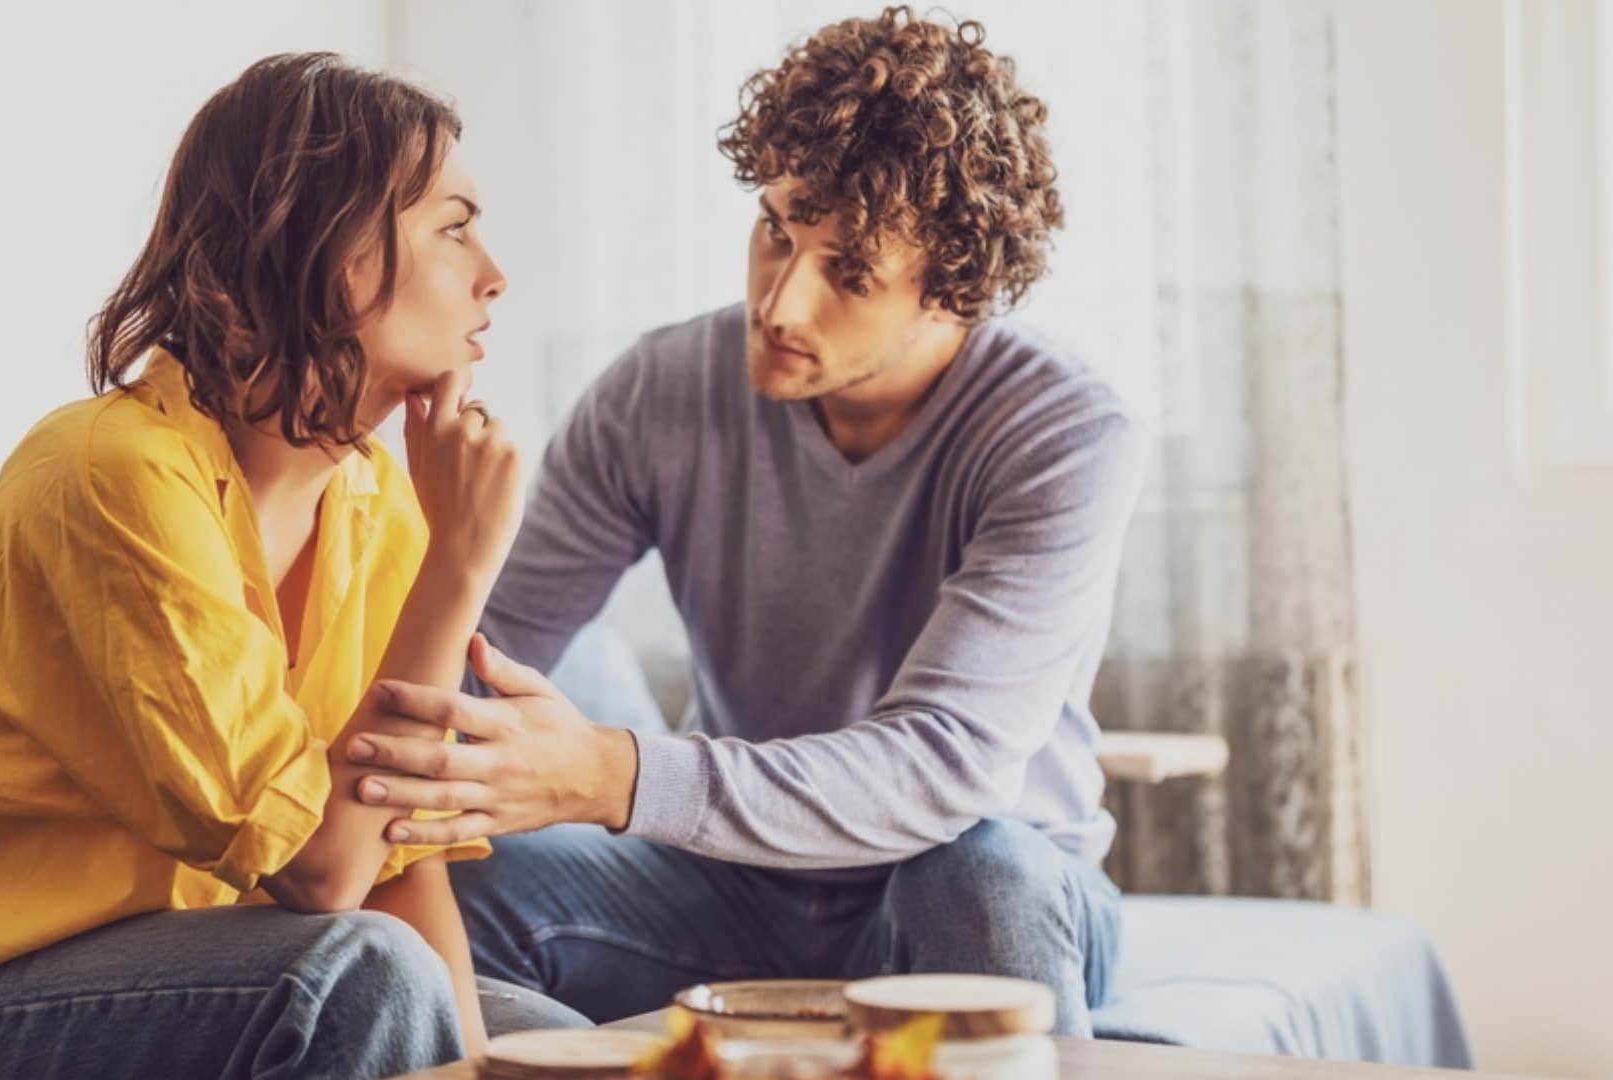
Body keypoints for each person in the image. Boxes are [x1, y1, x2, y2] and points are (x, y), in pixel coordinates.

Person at [0, 53, 578, 1080]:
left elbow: (391, 862)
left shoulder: (378, 502)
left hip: (148, 953)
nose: (494, 272)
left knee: (560, 1049)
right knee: (365, 980)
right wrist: (463, 560)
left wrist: (487, 1071)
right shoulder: (112, 474)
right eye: (454, 226)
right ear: (328, 246)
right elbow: (322, 879)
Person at [337, 8, 1148, 1036]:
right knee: (434, 895)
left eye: (848, 272)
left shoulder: (1064, 430)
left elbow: (945, 764)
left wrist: (614, 774)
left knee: (983, 872)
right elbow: (480, 661)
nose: (781, 302)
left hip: (958, 882)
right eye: (778, 228)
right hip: (724, 887)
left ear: (957, 294)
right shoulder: (660, 391)